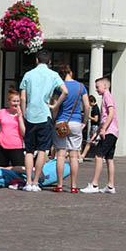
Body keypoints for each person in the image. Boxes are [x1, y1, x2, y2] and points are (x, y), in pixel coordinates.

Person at [19, 49, 68, 192]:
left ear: (36, 60)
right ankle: (35, 182)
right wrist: (55, 106)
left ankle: (27, 181)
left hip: (30, 115)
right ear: (50, 62)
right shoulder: (53, 75)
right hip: (44, 114)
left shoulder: (28, 74)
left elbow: (23, 97)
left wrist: (23, 112)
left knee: (28, 150)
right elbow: (65, 91)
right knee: (42, 150)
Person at [52, 64, 89, 193]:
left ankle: (60, 185)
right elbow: (87, 106)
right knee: (74, 156)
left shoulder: (59, 87)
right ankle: (73, 186)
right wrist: (84, 121)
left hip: (62, 122)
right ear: (71, 72)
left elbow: (55, 106)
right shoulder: (81, 86)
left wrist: (54, 119)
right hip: (76, 122)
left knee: (60, 155)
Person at [81, 77, 118, 194]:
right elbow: (104, 118)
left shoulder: (107, 96)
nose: (96, 89)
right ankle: (111, 186)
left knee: (98, 156)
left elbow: (111, 113)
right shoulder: (106, 97)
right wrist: (96, 133)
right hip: (113, 132)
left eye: (97, 87)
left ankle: (94, 184)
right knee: (109, 158)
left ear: (105, 86)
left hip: (109, 132)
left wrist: (103, 130)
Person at [0, 87, 26, 169]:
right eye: (14, 101)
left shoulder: (22, 114)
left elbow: (23, 132)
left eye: (18, 101)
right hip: (3, 147)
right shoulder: (2, 112)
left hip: (16, 147)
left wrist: (19, 117)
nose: (16, 103)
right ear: (8, 102)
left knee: (19, 170)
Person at [79, 95, 100, 162]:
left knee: (94, 142)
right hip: (94, 126)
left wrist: (88, 117)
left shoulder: (96, 108)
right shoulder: (94, 108)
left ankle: (101, 155)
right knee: (90, 141)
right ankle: (83, 155)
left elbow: (96, 119)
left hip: (95, 127)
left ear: (92, 101)